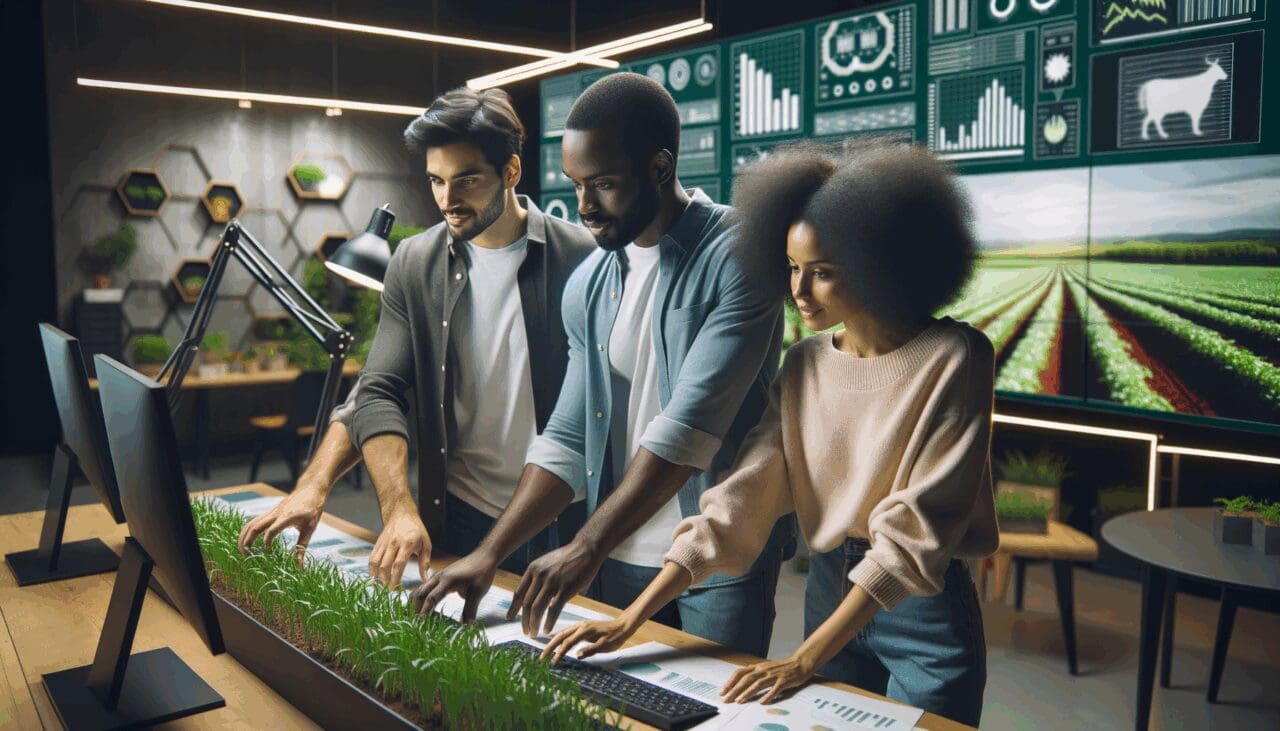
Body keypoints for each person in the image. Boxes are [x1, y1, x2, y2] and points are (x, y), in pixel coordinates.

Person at [540, 141, 999, 728]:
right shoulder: (805, 363)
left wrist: (803, 659)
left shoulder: (955, 358)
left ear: (883, 263)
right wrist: (632, 619)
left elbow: (917, 532)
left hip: (924, 603)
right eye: (791, 268)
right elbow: (740, 501)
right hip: (831, 585)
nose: (799, 291)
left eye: (824, 273)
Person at [415, 72, 795, 657]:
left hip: (716, 555)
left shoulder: (740, 254)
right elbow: (566, 437)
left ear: (661, 168)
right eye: (575, 185)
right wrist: (489, 554)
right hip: (620, 551)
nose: (585, 207)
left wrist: (586, 543)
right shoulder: (591, 279)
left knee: (712, 716)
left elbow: (689, 428)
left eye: (605, 185)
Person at [237, 87, 595, 587]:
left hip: (566, 516)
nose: (449, 200)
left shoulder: (583, 256)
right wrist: (397, 508)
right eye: (436, 181)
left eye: (467, 179)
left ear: (510, 172)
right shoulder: (413, 262)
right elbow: (377, 390)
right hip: (463, 514)